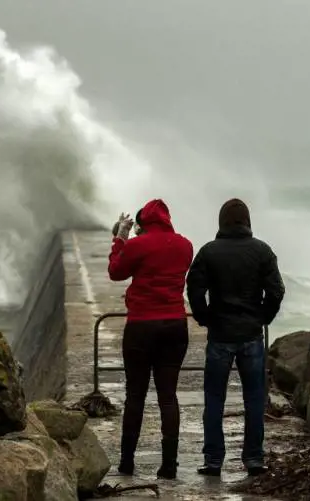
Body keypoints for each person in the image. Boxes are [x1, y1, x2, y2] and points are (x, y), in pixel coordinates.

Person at [186, 198, 285, 477]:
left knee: (214, 399)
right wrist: (263, 317)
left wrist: (204, 317)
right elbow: (276, 291)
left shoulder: (209, 252)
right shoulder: (262, 251)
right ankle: (253, 458)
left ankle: (213, 460)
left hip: (220, 335)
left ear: (221, 222)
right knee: (254, 399)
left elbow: (194, 288)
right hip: (251, 336)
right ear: (247, 221)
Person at [108, 199, 194, 480]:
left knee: (135, 396)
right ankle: (169, 465)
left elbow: (116, 271)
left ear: (142, 223)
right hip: (174, 325)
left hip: (142, 327)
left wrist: (120, 238)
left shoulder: (137, 245)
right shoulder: (185, 246)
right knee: (168, 397)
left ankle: (127, 463)